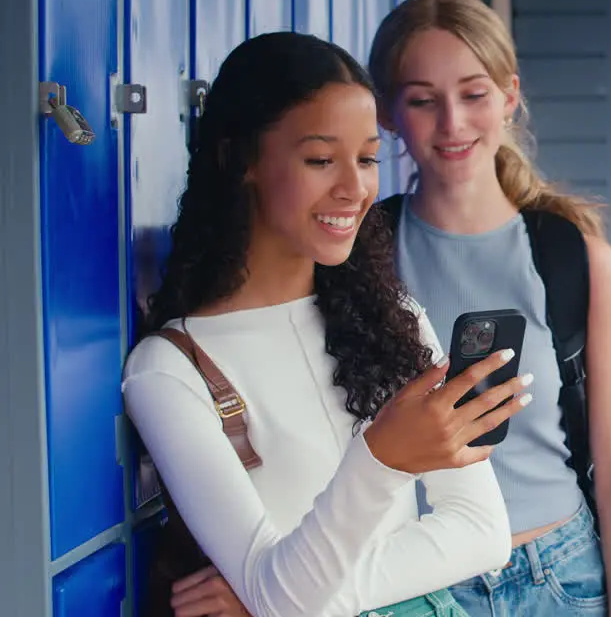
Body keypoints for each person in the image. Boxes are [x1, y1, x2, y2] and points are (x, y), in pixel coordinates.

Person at [123, 31, 530, 617]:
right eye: (320, 160)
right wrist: (382, 459)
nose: (354, 187)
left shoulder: (394, 319)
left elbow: (482, 532)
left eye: (366, 159)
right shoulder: (170, 370)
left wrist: (285, 595)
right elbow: (282, 596)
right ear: (240, 161)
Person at [359, 0, 611, 617]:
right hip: (418, 584)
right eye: (422, 100)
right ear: (388, 113)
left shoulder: (572, 257)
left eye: (473, 94)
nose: (453, 124)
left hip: (562, 580)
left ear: (508, 96)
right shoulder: (362, 258)